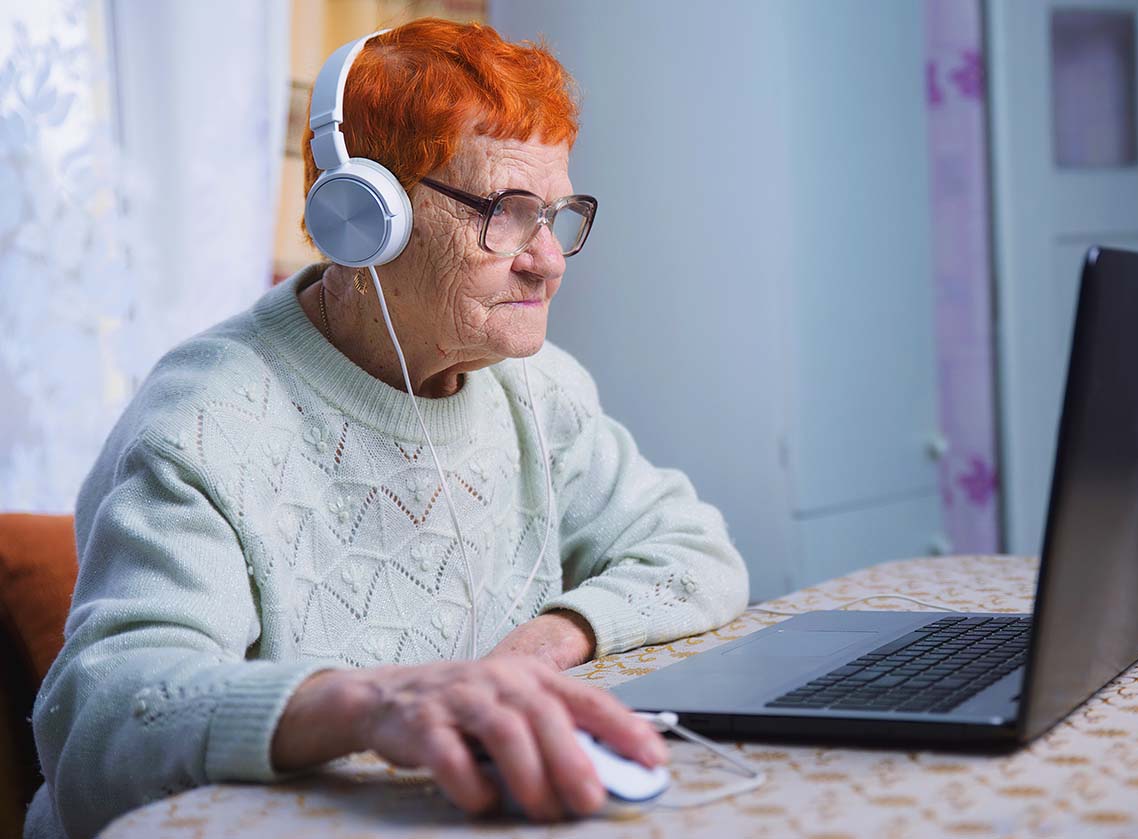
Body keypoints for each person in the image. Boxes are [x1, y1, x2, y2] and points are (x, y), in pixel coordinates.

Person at [26, 18, 749, 839]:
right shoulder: (204, 423)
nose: (548, 258)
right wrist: (371, 702)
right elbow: (105, 725)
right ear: (364, 217)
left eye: (556, 213)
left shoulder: (537, 388)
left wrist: (536, 652)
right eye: (510, 211)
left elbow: (696, 551)